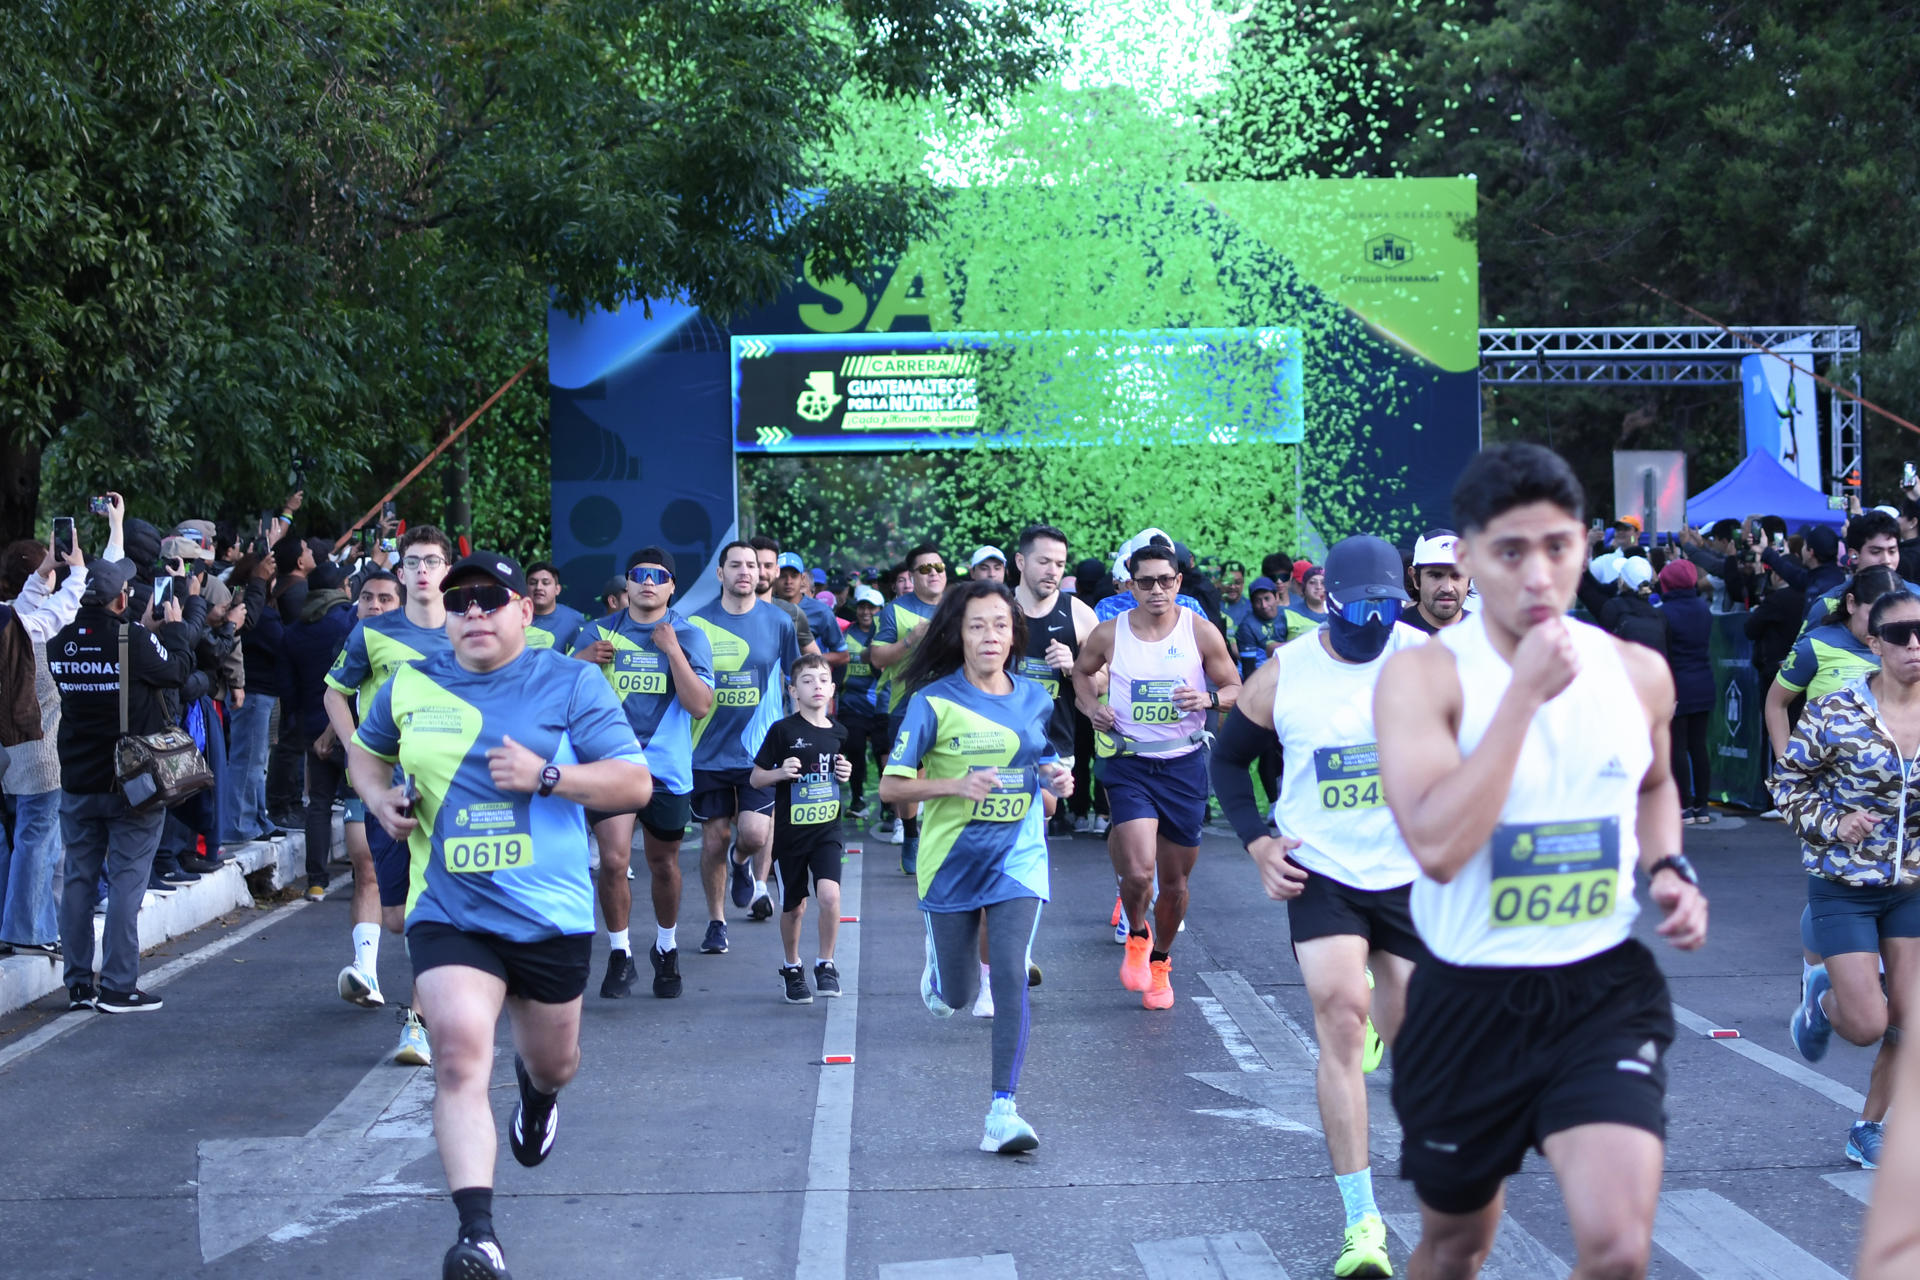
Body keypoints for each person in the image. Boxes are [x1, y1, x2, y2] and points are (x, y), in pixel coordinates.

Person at [1373, 441, 1708, 1280]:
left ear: (1586, 545)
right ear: (1468, 556)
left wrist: (1670, 867)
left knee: (1618, 1248)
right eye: (1510, 552)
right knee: (1457, 1247)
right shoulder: (1423, 679)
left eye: (1556, 547)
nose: (1536, 575)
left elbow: (1658, 784)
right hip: (1466, 1000)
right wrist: (1521, 695)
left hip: (1599, 993)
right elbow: (1440, 850)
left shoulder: (1638, 673)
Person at [347, 551, 652, 1280]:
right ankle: (477, 1235)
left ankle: (538, 1097)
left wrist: (550, 776)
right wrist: (378, 798)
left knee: (555, 1063)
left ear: (524, 609)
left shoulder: (571, 680)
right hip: (449, 909)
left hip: (548, 915)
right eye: (459, 602)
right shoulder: (410, 683)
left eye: (490, 598)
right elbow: (365, 753)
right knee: (455, 1055)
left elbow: (635, 781)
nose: (473, 612)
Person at [1210, 535, 1430, 1280]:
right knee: (1340, 1017)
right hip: (1324, 871)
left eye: (1386, 606)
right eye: (1361, 607)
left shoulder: (1426, 661)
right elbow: (1227, 758)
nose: (1375, 621)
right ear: (1328, 602)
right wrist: (1258, 843)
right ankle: (1361, 1223)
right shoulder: (1287, 672)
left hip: (1408, 872)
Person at [879, 580, 1072, 1153]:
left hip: (1018, 855)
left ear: (1015, 636)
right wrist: (954, 786)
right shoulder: (932, 701)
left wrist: (1057, 780)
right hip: (951, 863)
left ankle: (1002, 1112)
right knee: (957, 996)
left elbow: (1049, 775)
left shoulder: (1036, 697)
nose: (990, 636)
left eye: (1000, 625)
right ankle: (939, 970)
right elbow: (892, 787)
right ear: (958, 636)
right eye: (977, 625)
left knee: (1010, 971)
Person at [1774, 587, 1920, 1173]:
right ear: (1875, 643)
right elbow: (1788, 786)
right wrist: (1835, 821)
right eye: (1902, 634)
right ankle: (1822, 994)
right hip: (1844, 885)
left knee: (1909, 1024)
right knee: (1867, 1025)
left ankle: (1867, 1128)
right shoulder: (1835, 710)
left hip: (1911, 885)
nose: (1916, 644)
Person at [1072, 540, 1241, 1010]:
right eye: (1145, 582)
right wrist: (1091, 709)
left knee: (1175, 885)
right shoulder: (1110, 633)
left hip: (1184, 764)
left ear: (1178, 582)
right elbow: (1082, 675)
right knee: (1139, 871)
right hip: (1130, 764)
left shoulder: (1200, 631)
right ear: (1130, 585)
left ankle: (1162, 961)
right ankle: (1137, 934)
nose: (1157, 590)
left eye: (1165, 580)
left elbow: (1234, 688)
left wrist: (1207, 700)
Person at [323, 526, 454, 1062]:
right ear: (401, 573)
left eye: (433, 561)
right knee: (398, 915)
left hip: (449, 789)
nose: (423, 570)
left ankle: (418, 1022)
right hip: (388, 788)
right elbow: (334, 692)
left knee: (431, 909)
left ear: (446, 571)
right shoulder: (372, 633)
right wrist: (360, 752)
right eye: (414, 561)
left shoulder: (470, 629)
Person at [50, 556, 203, 1012]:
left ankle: (78, 985)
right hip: (130, 783)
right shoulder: (132, 638)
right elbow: (175, 671)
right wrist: (171, 630)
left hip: (77, 779)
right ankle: (119, 986)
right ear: (122, 598)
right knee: (125, 882)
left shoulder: (59, 643)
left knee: (77, 881)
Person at [570, 548, 714, 998]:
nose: (648, 582)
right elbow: (556, 691)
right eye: (638, 575)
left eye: (659, 576)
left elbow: (700, 705)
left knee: (663, 864)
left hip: (667, 770)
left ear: (671, 587)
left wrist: (672, 651)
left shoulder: (689, 636)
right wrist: (579, 660)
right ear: (626, 586)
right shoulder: (595, 633)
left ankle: (666, 947)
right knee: (613, 860)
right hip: (610, 764)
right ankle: (619, 952)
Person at [688, 541, 802, 950]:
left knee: (752, 835)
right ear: (720, 574)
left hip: (760, 751)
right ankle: (716, 922)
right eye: (735, 565)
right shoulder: (695, 625)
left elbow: (795, 682)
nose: (744, 571)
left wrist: (801, 737)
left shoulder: (779, 622)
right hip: (707, 750)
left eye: (751, 565)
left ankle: (743, 865)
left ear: (760, 573)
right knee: (714, 838)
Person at [285, 567, 388, 1003]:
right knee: (366, 868)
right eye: (367, 598)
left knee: (425, 887)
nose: (376, 606)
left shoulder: (434, 641)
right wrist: (348, 743)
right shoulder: (351, 643)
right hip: (366, 776)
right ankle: (366, 971)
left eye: (386, 599)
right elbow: (338, 694)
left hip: (425, 778)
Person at [748, 653, 850, 1003]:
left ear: (833, 688)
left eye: (823, 680)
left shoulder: (839, 731)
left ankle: (826, 963)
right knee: (794, 907)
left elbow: (837, 770)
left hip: (828, 830)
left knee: (830, 895)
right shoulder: (783, 730)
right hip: (792, 833)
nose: (816, 686)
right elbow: (756, 777)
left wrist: (845, 773)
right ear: (793, 690)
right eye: (807, 680)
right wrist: (780, 772)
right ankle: (792, 967)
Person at [1766, 566, 1901, 762]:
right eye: (1874, 613)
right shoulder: (1815, 645)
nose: (1881, 625)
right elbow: (1776, 703)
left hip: (1892, 782)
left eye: (1892, 617)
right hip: (1828, 782)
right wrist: (1786, 768)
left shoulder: (1905, 646)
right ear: (1852, 603)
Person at [867, 544, 947, 870]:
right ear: (911, 576)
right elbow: (877, 658)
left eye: (938, 568)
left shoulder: (958, 607)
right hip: (908, 705)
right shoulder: (895, 611)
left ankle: (947, 840)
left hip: (954, 704)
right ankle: (911, 834)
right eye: (925, 569)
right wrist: (909, 640)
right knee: (908, 777)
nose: (933, 574)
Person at [1655, 560, 1715, 825]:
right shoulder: (1704, 609)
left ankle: (1684, 806)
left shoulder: (1662, 612)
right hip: (1703, 680)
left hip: (1677, 683)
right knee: (1698, 745)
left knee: (1677, 746)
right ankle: (1703, 805)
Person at [838, 585, 887, 821]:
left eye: (872, 607)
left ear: (881, 610)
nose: (866, 612)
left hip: (880, 707)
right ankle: (857, 800)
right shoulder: (845, 634)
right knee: (855, 751)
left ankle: (889, 806)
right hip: (851, 706)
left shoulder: (887, 636)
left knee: (883, 757)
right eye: (862, 607)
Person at [748, 536, 818, 655]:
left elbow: (815, 660)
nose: (761, 572)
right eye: (754, 565)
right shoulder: (721, 614)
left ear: (777, 570)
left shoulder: (793, 613)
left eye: (768, 566)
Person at [774, 551, 844, 669]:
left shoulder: (821, 611)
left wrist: (809, 658)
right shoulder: (764, 606)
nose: (788, 581)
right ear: (774, 576)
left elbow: (842, 655)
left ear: (802, 579)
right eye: (783, 575)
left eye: (794, 575)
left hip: (803, 681)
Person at [1402, 530, 1469, 635]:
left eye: (1456, 576)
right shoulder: (1392, 635)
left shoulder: (1490, 635)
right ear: (1415, 578)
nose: (1447, 588)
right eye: (1436, 576)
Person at [524, 562, 587, 654]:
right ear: (525, 588)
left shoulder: (575, 620)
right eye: (533, 583)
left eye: (545, 583)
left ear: (557, 589)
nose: (538, 587)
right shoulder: (515, 619)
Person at [1234, 577, 1288, 675]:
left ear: (1276, 597)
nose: (1264, 605)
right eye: (1258, 601)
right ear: (1252, 604)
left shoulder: (1288, 616)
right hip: (1260, 676)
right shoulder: (1246, 627)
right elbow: (1249, 671)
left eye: (1267, 599)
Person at [1218, 561, 1251, 633]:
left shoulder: (1252, 608)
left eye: (1237, 582)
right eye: (1228, 582)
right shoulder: (1211, 606)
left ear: (1243, 583)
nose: (1232, 587)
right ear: (1220, 582)